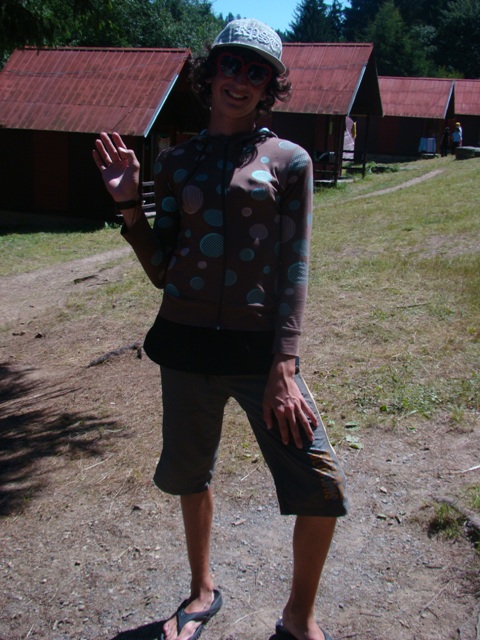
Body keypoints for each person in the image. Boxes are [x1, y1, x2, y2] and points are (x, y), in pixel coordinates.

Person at [93, 18, 348, 640]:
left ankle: (299, 617)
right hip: (184, 349)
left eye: (257, 71)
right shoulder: (176, 162)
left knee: (320, 485)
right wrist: (129, 207)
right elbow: (163, 270)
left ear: (269, 87)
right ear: (211, 74)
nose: (240, 80)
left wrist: (284, 365)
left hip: (260, 357)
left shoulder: (290, 160)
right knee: (191, 474)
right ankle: (202, 591)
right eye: (230, 64)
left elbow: (295, 265)